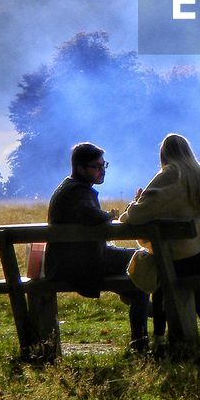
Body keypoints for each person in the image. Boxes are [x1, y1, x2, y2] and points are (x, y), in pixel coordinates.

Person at [45, 141, 151, 351]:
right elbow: (93, 216)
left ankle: (151, 313)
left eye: (104, 165)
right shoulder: (78, 191)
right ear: (81, 168)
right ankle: (141, 341)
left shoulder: (69, 187)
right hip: (82, 266)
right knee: (141, 270)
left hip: (72, 261)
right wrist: (110, 215)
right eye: (97, 166)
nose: (102, 171)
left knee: (140, 259)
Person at [119, 133, 200, 341]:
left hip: (183, 262)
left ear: (164, 155)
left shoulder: (171, 174)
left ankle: (158, 338)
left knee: (159, 275)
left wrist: (134, 203)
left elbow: (138, 214)